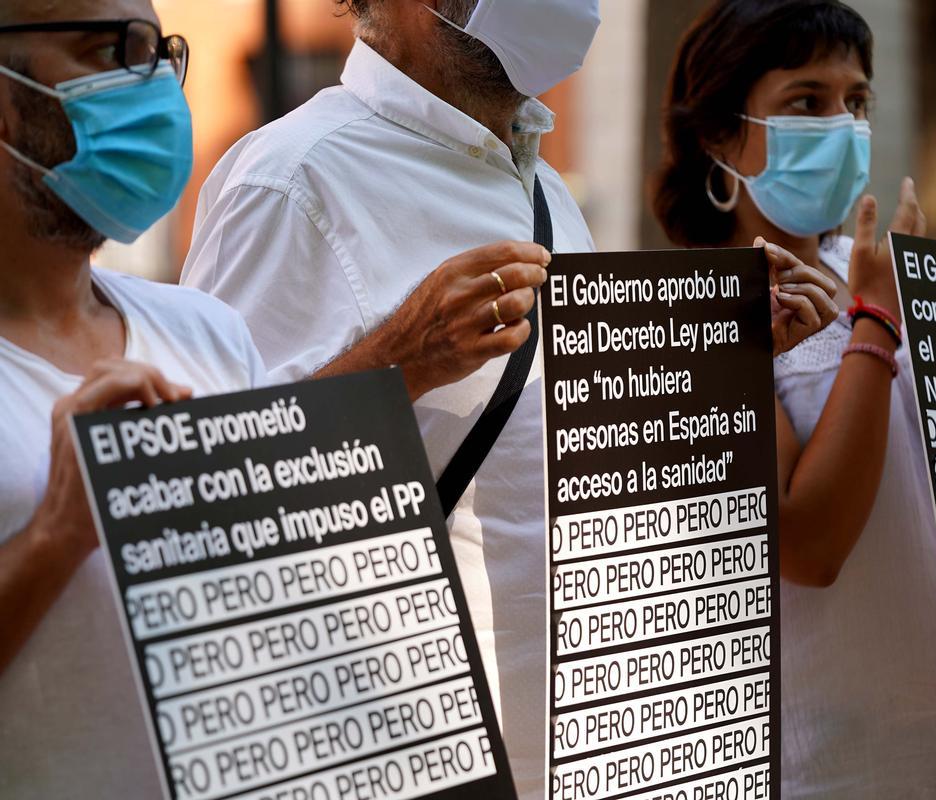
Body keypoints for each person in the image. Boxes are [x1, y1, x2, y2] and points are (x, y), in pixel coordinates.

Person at [181, 1, 838, 794]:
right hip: (408, 760)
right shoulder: (288, 181)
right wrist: (397, 363)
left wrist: (719, 356)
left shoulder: (546, 188)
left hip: (585, 756)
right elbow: (204, 513)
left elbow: (559, 460)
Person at [653, 1, 936, 796]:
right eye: (806, 102)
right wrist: (876, 327)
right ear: (717, 135)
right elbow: (807, 548)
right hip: (828, 768)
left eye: (858, 102)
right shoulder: (690, 313)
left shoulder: (890, 280)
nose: (842, 126)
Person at [0, 2, 268, 798]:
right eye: (108, 51)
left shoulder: (212, 332)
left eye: (158, 53)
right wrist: (58, 532)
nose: (150, 88)